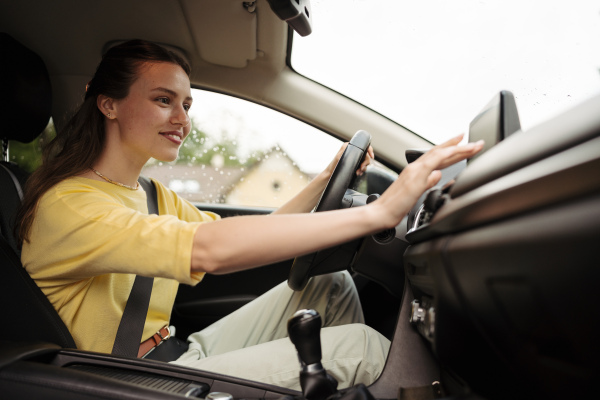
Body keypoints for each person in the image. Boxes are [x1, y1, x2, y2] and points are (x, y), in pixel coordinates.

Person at [17, 40, 483, 390]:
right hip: (127, 382)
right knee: (363, 347)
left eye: (186, 104)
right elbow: (210, 250)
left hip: (173, 350)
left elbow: (241, 234)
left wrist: (324, 179)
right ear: (108, 104)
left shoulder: (150, 194)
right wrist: (381, 211)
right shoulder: (69, 205)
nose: (182, 118)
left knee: (330, 284)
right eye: (164, 100)